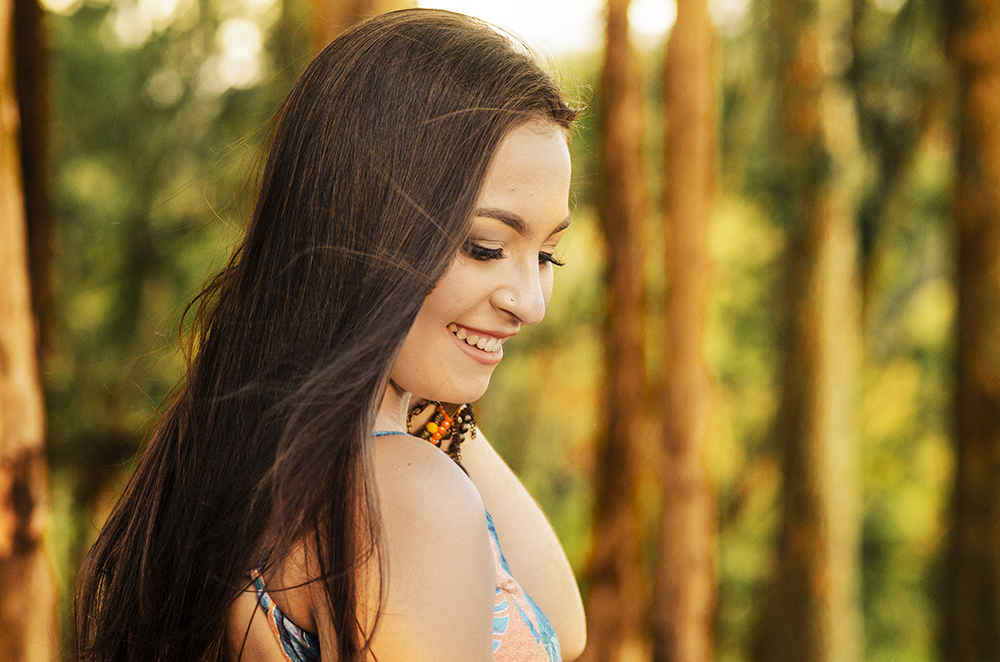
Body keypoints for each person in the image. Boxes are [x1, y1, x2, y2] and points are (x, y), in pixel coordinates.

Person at [75, 8, 587, 662]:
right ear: (362, 231)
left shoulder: (256, 459)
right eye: (485, 247)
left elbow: (559, 626)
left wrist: (436, 411)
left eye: (547, 255)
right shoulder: (407, 499)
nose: (532, 303)